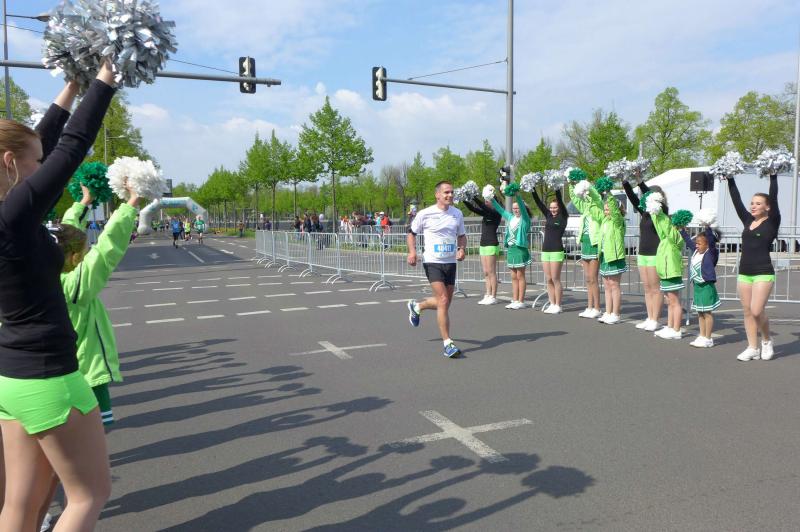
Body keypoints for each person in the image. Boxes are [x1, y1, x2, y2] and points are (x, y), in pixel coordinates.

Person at [0, 62, 116, 532]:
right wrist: (106, 79)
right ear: (10, 163)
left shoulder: (11, 214)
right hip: (51, 377)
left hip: (11, 378)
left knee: (20, 505)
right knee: (89, 496)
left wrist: (71, 85)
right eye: (35, 163)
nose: (42, 170)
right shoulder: (13, 216)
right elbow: (69, 148)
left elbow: (42, 141)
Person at [406, 181, 467, 358]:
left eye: (451, 192)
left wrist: (461, 249)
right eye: (446, 192)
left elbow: (462, 235)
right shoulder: (425, 213)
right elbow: (411, 233)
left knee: (445, 303)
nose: (450, 195)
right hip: (432, 261)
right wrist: (412, 252)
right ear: (437, 195)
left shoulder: (457, 213)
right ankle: (448, 343)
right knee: (442, 300)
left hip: (450, 262)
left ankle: (417, 306)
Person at [728, 173, 780, 361]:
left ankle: (766, 340)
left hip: (763, 272)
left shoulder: (772, 221)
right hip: (745, 272)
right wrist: (730, 179)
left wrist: (773, 176)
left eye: (758, 203)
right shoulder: (748, 220)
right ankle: (752, 347)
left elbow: (774, 196)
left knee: (757, 310)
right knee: (748, 311)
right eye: (752, 203)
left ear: (768, 207)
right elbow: (736, 201)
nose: (753, 206)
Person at [577, 183, 627, 324]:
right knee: (607, 286)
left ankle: (616, 314)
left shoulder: (618, 221)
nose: (606, 211)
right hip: (604, 256)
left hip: (615, 257)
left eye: (608, 209)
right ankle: (608, 312)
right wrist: (589, 193)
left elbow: (614, 211)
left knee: (614, 285)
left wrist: (608, 193)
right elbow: (593, 208)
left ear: (615, 209)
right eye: (605, 209)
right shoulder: (604, 220)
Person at [624, 180, 667, 331]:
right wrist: (625, 182)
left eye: (650, 196)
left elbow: (648, 194)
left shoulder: (662, 212)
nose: (647, 199)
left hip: (655, 254)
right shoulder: (645, 212)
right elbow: (632, 197)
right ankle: (649, 317)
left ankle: (656, 319)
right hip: (643, 253)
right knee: (647, 288)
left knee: (656, 289)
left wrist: (641, 182)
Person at [491, 183, 531, 309]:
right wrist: (491, 199)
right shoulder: (510, 217)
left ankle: (521, 301)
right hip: (511, 250)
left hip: (520, 249)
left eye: (518, 208)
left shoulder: (525, 219)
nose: (516, 210)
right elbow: (501, 210)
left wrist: (517, 195)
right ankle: (514, 299)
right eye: (514, 208)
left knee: (520, 275)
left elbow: (522, 209)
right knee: (513, 276)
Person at [680, 225, 721, 347]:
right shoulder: (696, 252)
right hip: (697, 287)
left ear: (707, 244)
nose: (696, 245)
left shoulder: (711, 253)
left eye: (699, 243)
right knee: (700, 313)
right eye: (696, 243)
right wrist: (682, 231)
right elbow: (688, 242)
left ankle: (708, 338)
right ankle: (702, 335)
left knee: (707, 313)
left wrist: (707, 227)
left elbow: (712, 242)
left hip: (706, 287)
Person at [650, 200, 686, 339]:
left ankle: (676, 330)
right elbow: (660, 226)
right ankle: (670, 327)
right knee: (669, 302)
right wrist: (655, 214)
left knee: (674, 302)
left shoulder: (675, 237)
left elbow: (666, 226)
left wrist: (660, 214)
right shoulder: (665, 238)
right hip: (665, 272)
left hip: (672, 272)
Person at [530, 187, 568, 313]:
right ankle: (552, 303)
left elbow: (560, 201)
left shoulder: (563, 216)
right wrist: (533, 190)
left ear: (559, 208)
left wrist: (556, 188)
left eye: (555, 207)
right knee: (549, 279)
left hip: (557, 251)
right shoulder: (548, 215)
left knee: (555, 278)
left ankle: (558, 305)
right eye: (551, 208)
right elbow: (539, 203)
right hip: (546, 251)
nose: (552, 209)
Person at [569, 181, 602, 318]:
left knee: (593, 278)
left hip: (594, 244)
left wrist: (588, 187)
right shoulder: (585, 208)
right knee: (588, 279)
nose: (586, 196)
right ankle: (589, 307)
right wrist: (571, 183)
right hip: (585, 243)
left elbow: (596, 197)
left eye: (588, 194)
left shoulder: (598, 206)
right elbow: (574, 198)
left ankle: (597, 308)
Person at [463, 196, 502, 305]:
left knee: (491, 272)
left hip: (491, 244)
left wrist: (474, 197)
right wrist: (464, 198)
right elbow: (472, 208)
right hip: (483, 244)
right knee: (486, 272)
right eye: (485, 201)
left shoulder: (496, 213)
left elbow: (483, 206)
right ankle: (488, 294)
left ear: (494, 202)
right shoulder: (485, 214)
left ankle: (493, 296)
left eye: (488, 201)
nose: (485, 202)